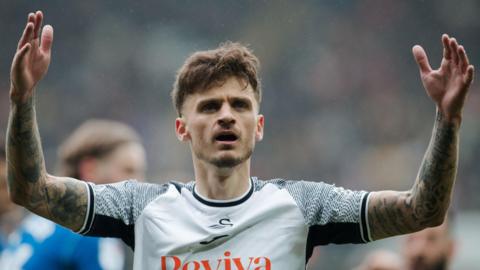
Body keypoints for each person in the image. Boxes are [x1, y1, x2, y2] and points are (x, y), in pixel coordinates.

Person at [6, 10, 474, 270]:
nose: (226, 115)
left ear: (260, 124)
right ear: (182, 129)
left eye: (240, 105)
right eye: (210, 107)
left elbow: (422, 211)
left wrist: (447, 120)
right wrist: (23, 98)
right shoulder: (141, 206)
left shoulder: (304, 206)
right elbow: (32, 191)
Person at [0, 120, 146, 269]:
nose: (139, 184)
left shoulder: (35, 223)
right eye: (129, 171)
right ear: (90, 170)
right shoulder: (92, 233)